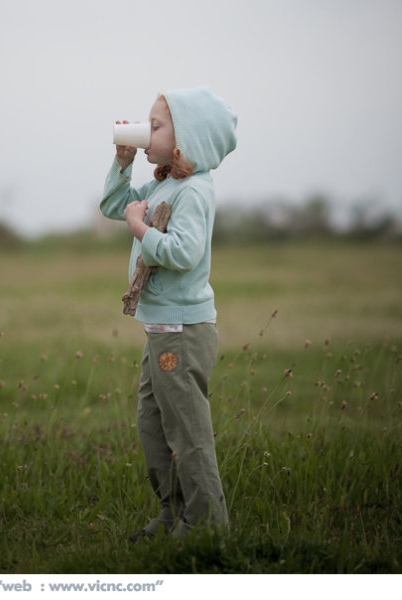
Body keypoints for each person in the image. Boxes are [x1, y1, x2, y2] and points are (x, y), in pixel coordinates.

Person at [100, 86, 237, 539]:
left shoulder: (193, 191)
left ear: (187, 138)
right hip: (161, 328)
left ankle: (206, 525)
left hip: (182, 330)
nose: (148, 130)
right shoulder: (163, 183)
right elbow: (114, 207)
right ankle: (173, 512)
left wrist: (141, 228)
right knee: (154, 422)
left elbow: (183, 252)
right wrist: (123, 164)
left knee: (187, 429)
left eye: (156, 125)